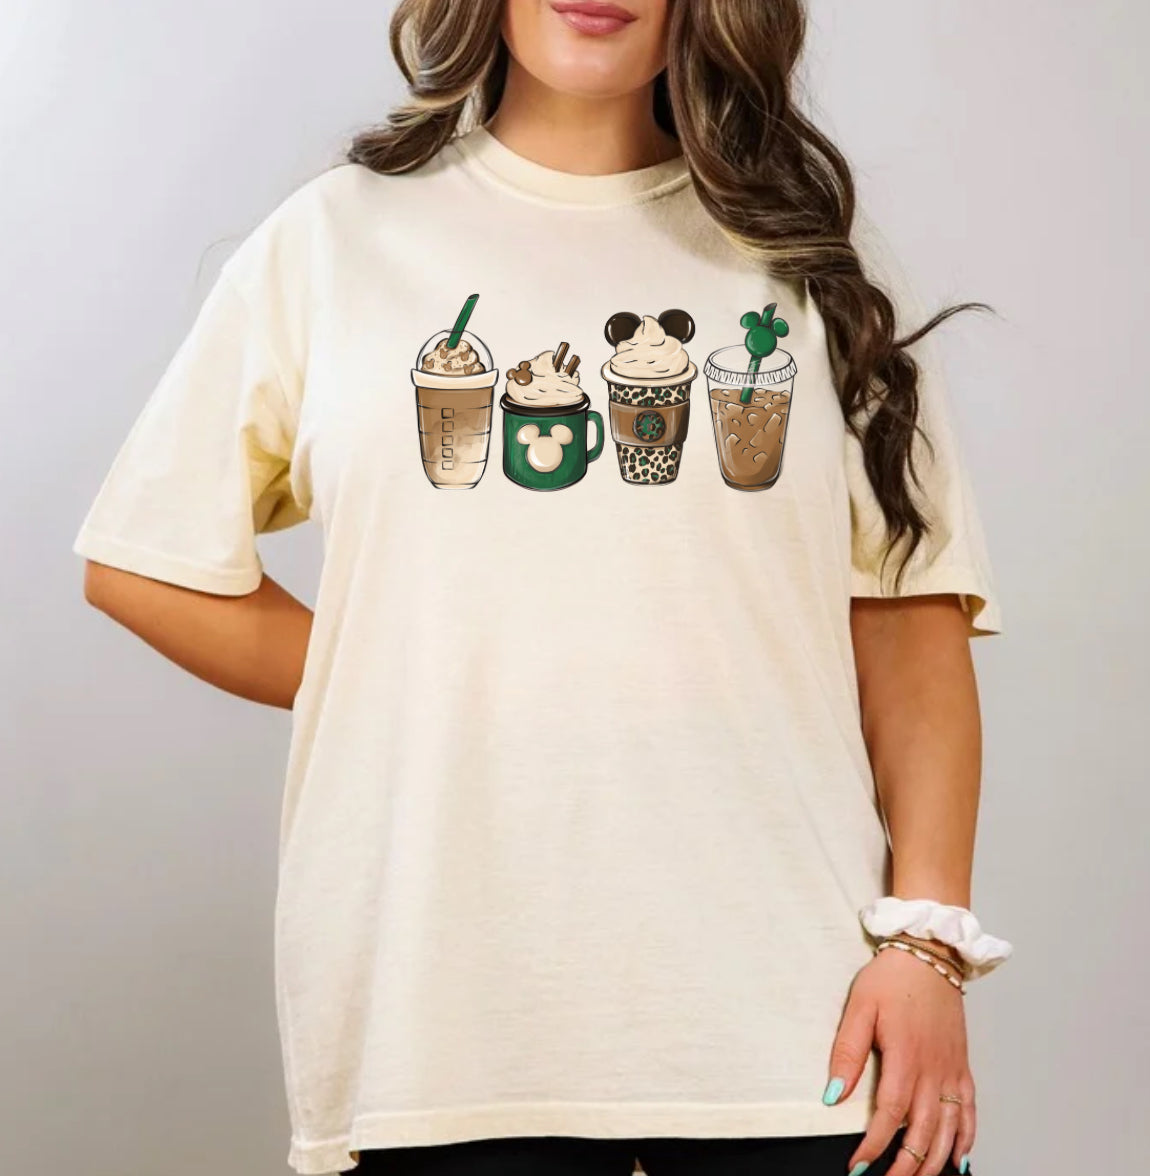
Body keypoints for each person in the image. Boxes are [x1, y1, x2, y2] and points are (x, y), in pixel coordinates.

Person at [72, 1, 1013, 1174]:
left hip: (799, 1032)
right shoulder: (330, 246)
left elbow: (913, 625)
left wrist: (927, 948)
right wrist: (423, 679)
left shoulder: (814, 260)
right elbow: (145, 562)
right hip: (440, 1042)